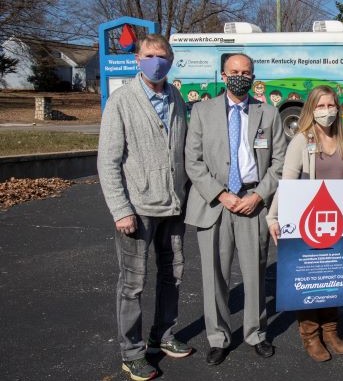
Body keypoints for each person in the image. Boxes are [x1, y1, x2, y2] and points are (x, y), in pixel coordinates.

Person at [97, 33, 192, 381]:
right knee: (133, 284)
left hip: (173, 206)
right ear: (138, 59)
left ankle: (162, 336)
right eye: (150, 55)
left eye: (163, 56)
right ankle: (132, 353)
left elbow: (181, 150)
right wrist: (120, 209)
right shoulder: (121, 101)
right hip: (137, 209)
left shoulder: (177, 98)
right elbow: (107, 162)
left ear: (171, 60)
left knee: (173, 275)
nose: (157, 61)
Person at [184, 53, 287, 366]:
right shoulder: (202, 111)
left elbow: (280, 162)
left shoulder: (269, 114)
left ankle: (256, 333)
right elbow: (193, 160)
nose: (241, 76)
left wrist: (258, 195)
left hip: (252, 202)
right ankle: (218, 337)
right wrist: (220, 194)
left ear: (253, 76)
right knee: (214, 274)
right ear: (223, 75)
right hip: (215, 204)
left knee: (255, 271)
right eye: (235, 71)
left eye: (247, 72)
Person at [266, 85, 343, 362]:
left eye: (331, 105)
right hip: (306, 221)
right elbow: (288, 182)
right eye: (320, 106)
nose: (326, 111)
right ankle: (310, 335)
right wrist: (273, 217)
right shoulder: (301, 140)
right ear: (311, 110)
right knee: (308, 280)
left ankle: (331, 330)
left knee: (333, 277)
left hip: (337, 223)